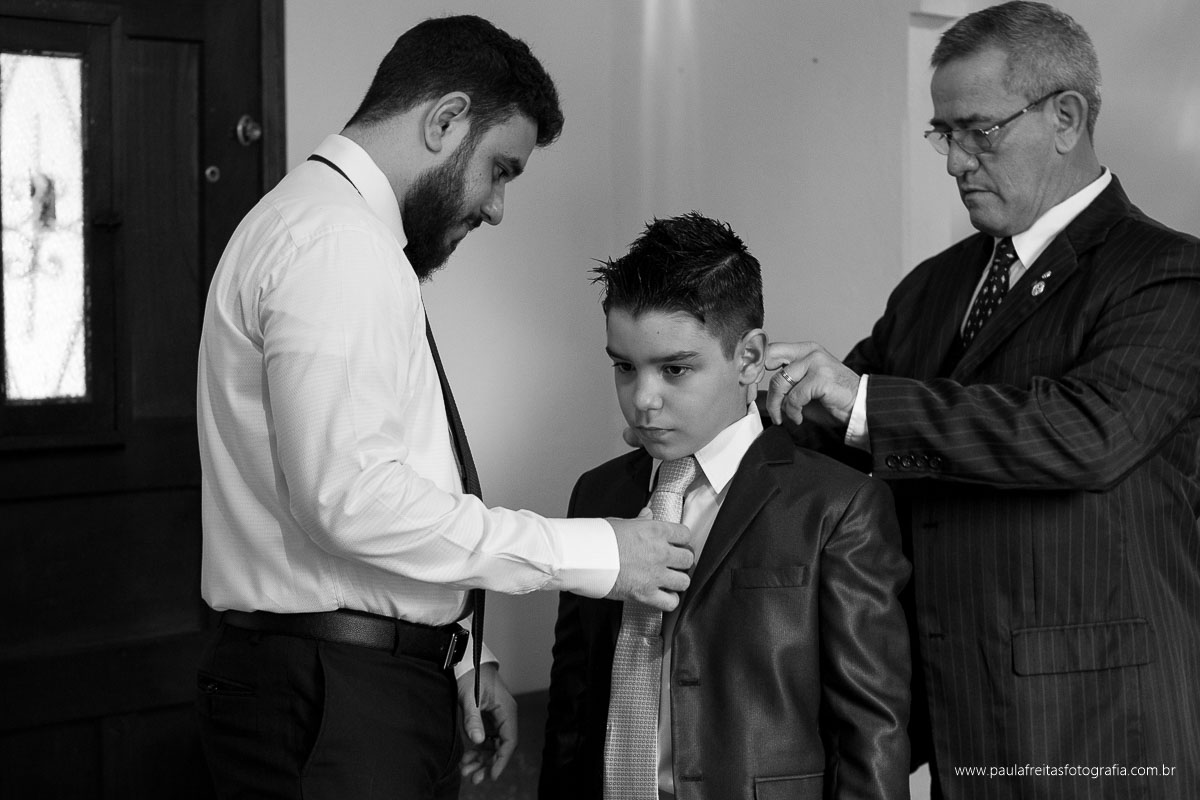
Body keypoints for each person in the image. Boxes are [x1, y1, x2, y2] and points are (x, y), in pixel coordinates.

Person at [194, 15, 695, 800]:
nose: (496, 208)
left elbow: (381, 475)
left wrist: (461, 652)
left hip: (341, 685)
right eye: (500, 169)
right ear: (445, 120)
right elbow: (351, 498)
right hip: (335, 702)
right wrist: (596, 553)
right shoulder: (338, 245)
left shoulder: (323, 229)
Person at [765, 3, 1200, 798]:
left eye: (980, 131)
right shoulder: (933, 286)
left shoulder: (1168, 275)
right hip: (957, 712)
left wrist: (863, 405)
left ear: (1066, 118)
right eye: (945, 134)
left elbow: (1085, 435)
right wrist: (733, 409)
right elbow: (835, 429)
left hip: (1103, 727)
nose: (956, 161)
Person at [540, 213, 911, 800]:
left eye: (675, 369)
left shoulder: (837, 506)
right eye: (624, 367)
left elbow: (871, 734)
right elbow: (573, 704)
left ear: (749, 358)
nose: (643, 399)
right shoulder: (597, 494)